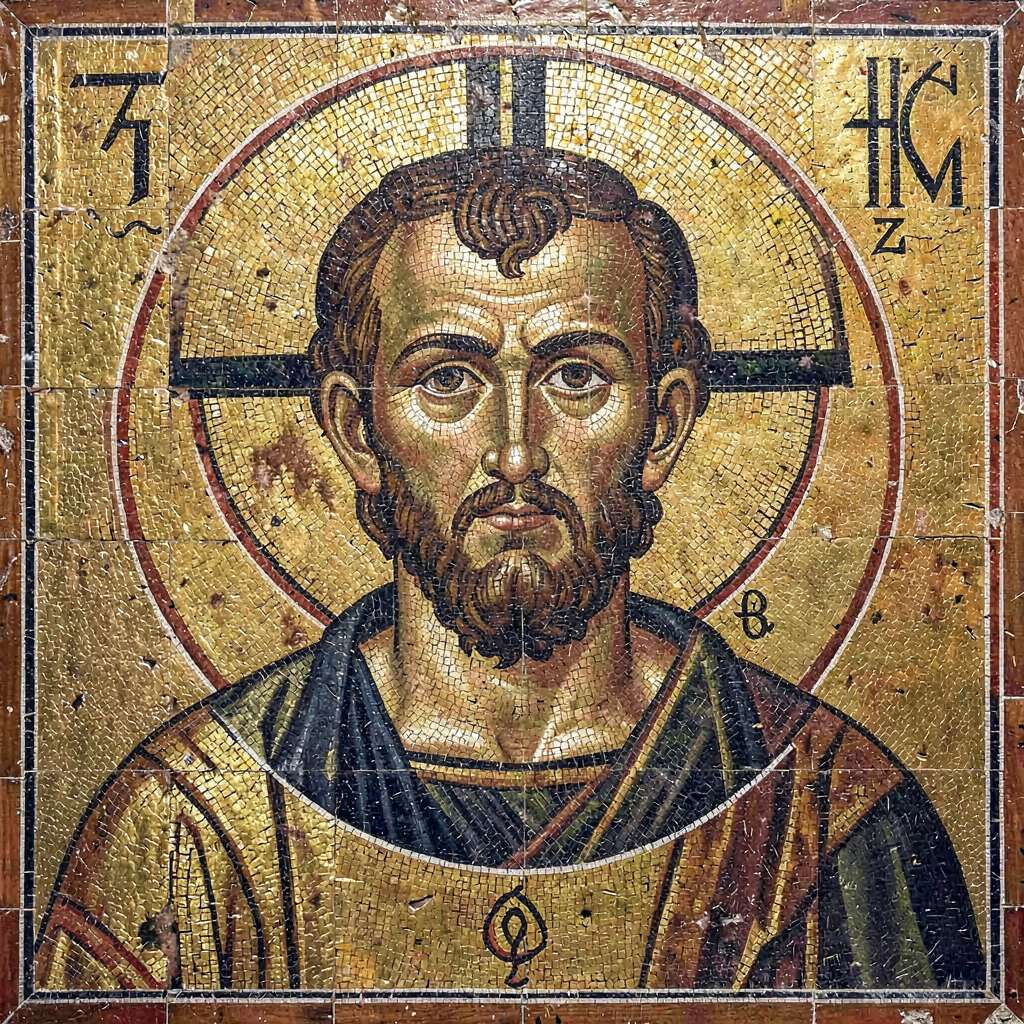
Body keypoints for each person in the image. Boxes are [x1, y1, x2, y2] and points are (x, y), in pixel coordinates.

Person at [36, 148, 983, 992]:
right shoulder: (193, 823)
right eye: (448, 379)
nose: (517, 453)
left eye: (578, 376)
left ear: (663, 425)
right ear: (356, 431)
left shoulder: (830, 817)